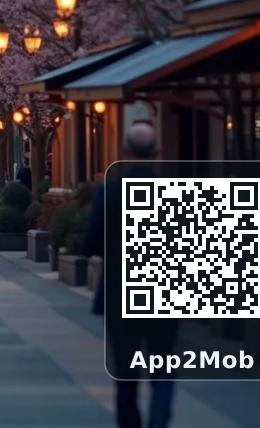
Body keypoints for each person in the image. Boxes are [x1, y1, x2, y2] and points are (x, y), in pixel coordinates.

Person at [84, 121, 175, 428]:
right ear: (157, 152)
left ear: (124, 151)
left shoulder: (108, 193)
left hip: (121, 293)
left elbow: (91, 243)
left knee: (125, 372)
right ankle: (159, 422)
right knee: (163, 372)